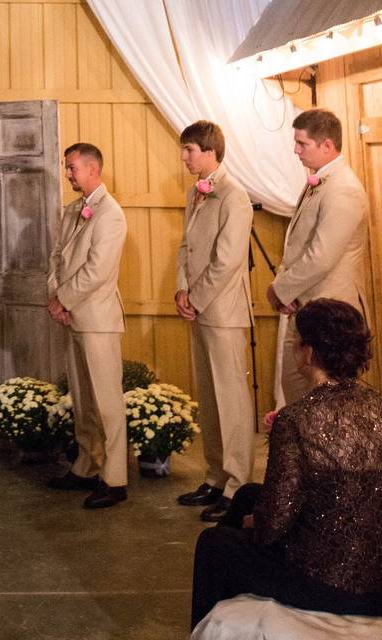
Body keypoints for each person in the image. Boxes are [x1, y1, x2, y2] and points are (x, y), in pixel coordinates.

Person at [191, 298, 382, 629]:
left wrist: (255, 523)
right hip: (376, 577)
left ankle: (213, 627)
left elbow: (273, 524)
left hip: (327, 585)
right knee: (248, 493)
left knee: (215, 543)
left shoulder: (296, 419)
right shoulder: (377, 405)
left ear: (307, 353)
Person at [174, 121, 255, 523]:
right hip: (198, 307)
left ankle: (238, 484)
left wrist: (199, 297)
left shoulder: (234, 195)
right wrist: (181, 290)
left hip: (222, 311)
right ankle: (215, 474)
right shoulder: (195, 193)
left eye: (189, 150)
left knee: (231, 399)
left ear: (210, 151)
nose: (184, 157)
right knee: (208, 397)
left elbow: (228, 260)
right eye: (183, 149)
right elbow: (186, 247)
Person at [44, 143, 128, 509]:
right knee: (82, 399)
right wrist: (56, 294)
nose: (68, 173)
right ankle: (86, 464)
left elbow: (98, 270)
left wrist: (64, 298)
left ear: (93, 168)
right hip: (73, 315)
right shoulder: (73, 210)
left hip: (98, 319)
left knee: (106, 402)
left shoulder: (111, 214)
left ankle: (115, 478)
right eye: (67, 167)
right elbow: (56, 257)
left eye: (72, 167)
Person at [267, 108, 369, 405]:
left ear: (327, 145)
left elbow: (321, 255)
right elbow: (299, 247)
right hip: (307, 303)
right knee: (297, 392)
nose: (295, 150)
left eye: (302, 144)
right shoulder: (320, 182)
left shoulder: (343, 189)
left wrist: (280, 289)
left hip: (332, 313)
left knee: (323, 403)